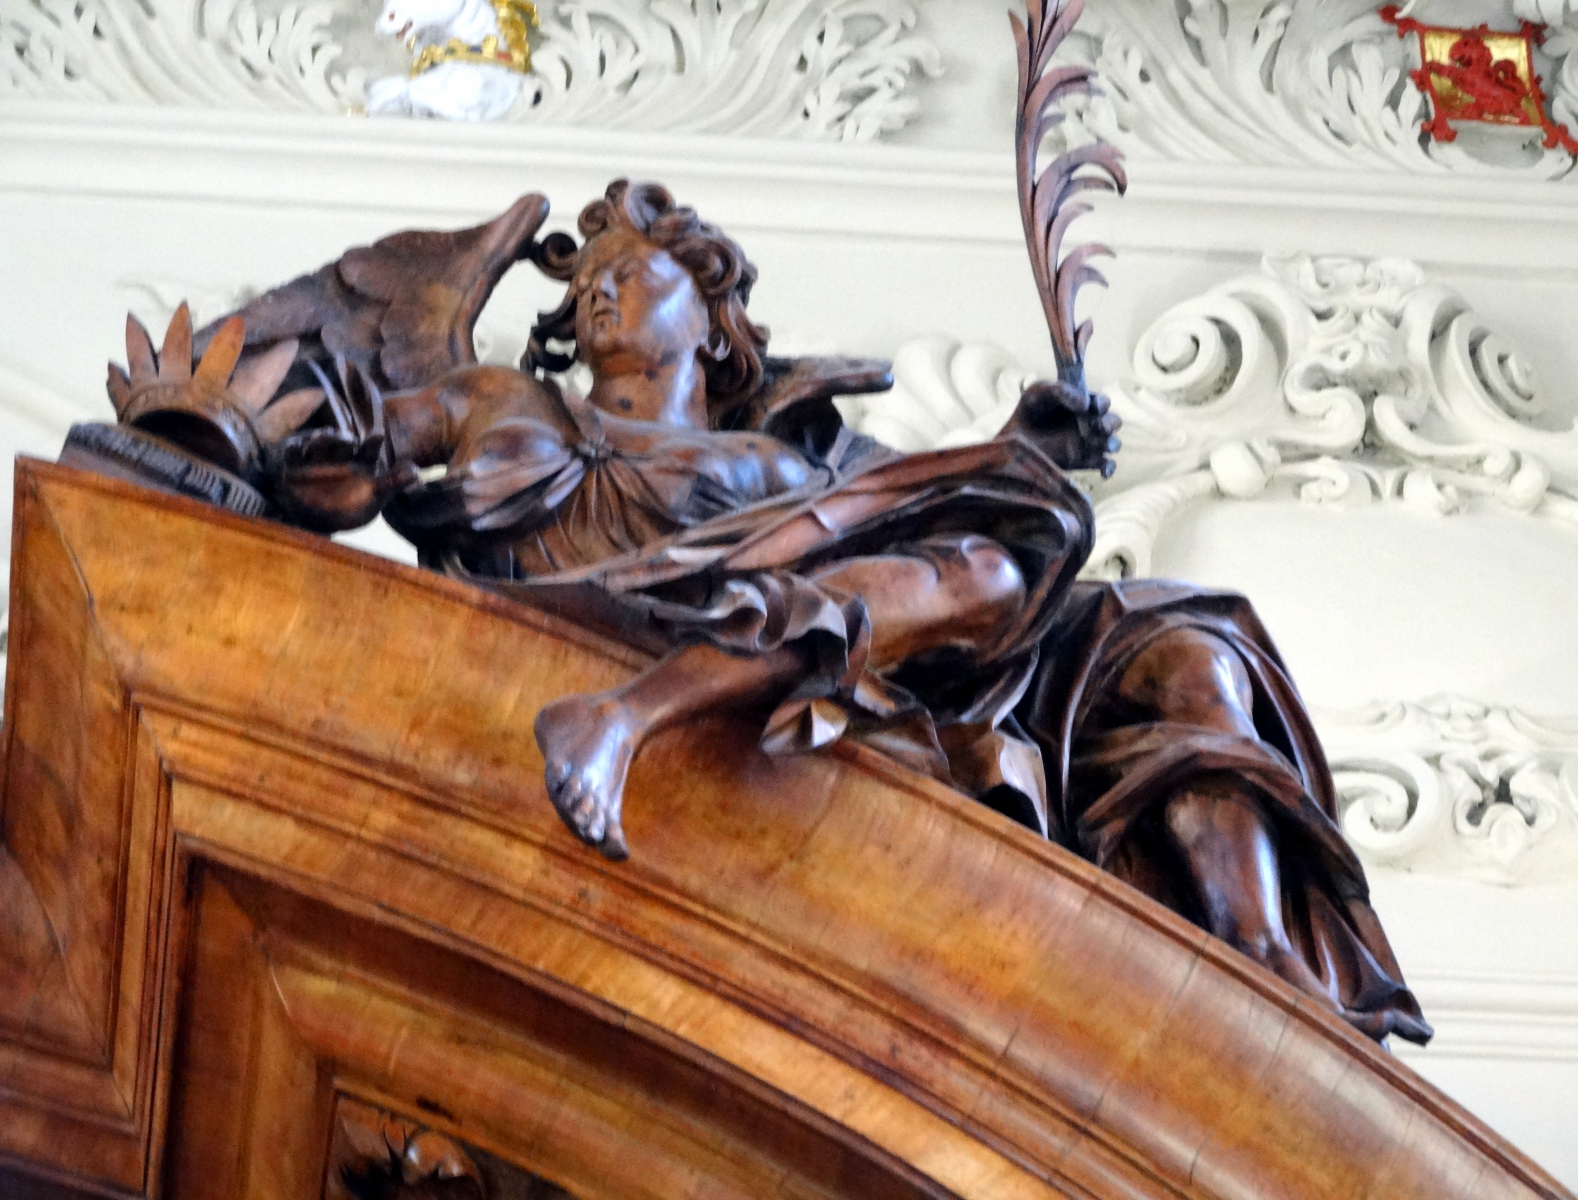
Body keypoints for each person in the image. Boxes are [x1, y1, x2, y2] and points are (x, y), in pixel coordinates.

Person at [199, 180, 1429, 1045]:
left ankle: (1261, 979)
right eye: (592, 290)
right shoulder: (503, 397)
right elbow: (354, 443)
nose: (604, 299)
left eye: (637, 274)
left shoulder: (800, 467)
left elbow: (904, 537)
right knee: (968, 578)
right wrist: (279, 447)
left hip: (802, 629)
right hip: (606, 613)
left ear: (712, 313)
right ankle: (617, 720)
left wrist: (1017, 452)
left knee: (1160, 625)